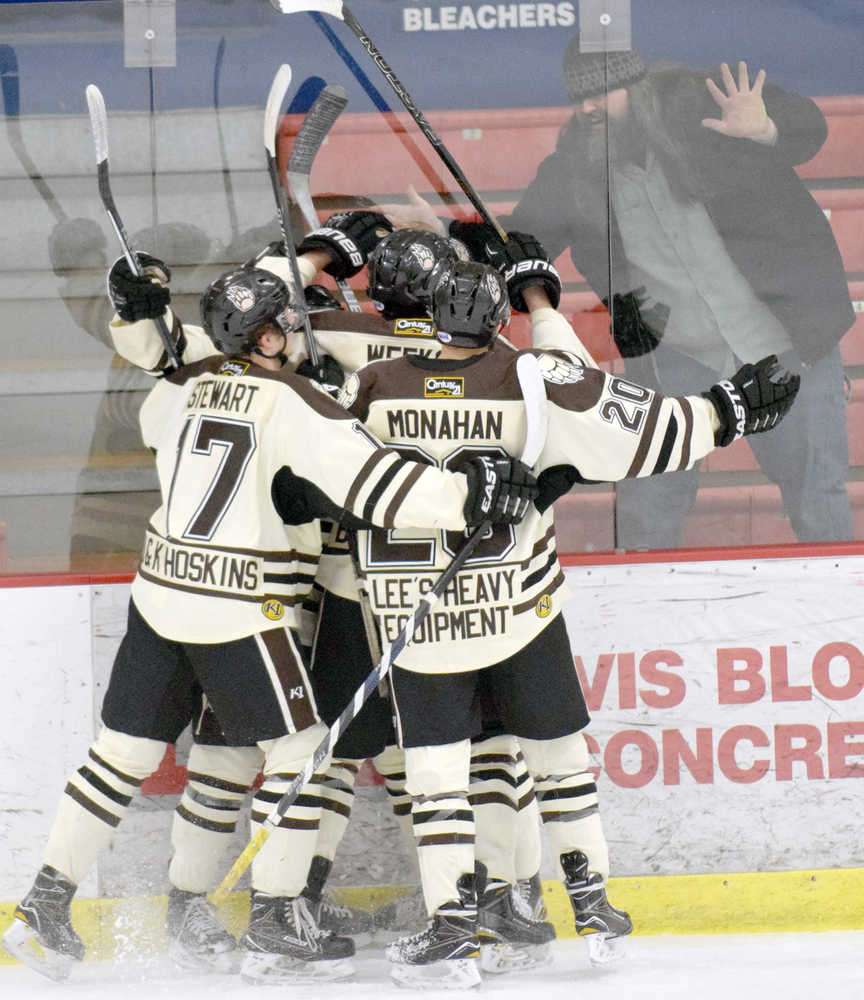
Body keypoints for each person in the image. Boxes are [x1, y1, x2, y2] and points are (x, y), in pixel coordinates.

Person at [1, 211, 537, 986]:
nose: (298, 329)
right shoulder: (300, 407)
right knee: (302, 757)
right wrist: (470, 490)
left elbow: (171, 359)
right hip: (240, 612)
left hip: (159, 597)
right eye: (285, 325)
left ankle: (44, 903)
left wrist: (139, 314)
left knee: (120, 753)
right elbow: (382, 487)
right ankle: (280, 911)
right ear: (266, 339)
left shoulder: (181, 390)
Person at [338, 240, 800, 988]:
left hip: (419, 626)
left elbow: (334, 481)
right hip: (519, 611)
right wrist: (726, 412)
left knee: (437, 779)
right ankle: (593, 906)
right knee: (558, 762)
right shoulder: (530, 375)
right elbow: (636, 430)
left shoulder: (369, 383)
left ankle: (454, 926)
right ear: (496, 318)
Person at [161, 228, 562, 975]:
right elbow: (575, 392)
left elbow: (243, 313)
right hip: (468, 588)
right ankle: (503, 901)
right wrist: (528, 292)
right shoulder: (504, 362)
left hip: (343, 583)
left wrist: (312, 261)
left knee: (332, 754)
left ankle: (291, 905)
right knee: (474, 752)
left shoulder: (339, 335)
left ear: (378, 288)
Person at [431, 50, 856, 548]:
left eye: (600, 93)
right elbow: (524, 240)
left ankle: (841, 621)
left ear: (637, 85)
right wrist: (448, 237)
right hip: (676, 355)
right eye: (579, 97)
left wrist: (765, 131)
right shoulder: (576, 166)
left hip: (783, 340)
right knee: (650, 506)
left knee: (816, 495)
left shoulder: (707, 105)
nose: (588, 107)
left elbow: (812, 129)